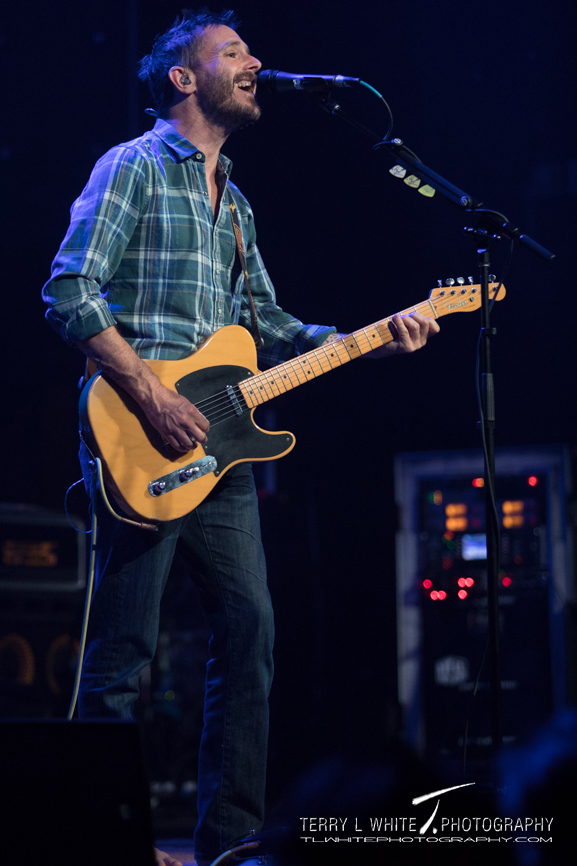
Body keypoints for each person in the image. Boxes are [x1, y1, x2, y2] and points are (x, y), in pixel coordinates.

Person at [42, 9, 439, 866]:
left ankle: (230, 847)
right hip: (139, 437)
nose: (255, 61)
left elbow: (269, 322)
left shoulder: (237, 202)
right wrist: (149, 396)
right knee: (123, 654)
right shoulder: (134, 166)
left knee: (251, 636)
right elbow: (70, 292)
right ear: (183, 79)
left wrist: (375, 333)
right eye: (233, 52)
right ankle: (86, 840)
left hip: (219, 451)